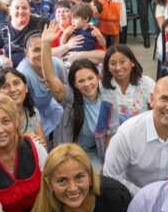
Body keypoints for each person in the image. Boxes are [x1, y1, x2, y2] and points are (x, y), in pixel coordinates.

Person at [103, 76, 168, 194]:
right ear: (152, 100)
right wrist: (146, 197)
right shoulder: (127, 133)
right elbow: (111, 176)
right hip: (133, 198)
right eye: (164, 99)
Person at [40, 24, 117, 160]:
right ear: (74, 84)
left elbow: (110, 136)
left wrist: (107, 163)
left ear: (98, 76)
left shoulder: (107, 99)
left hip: (96, 154)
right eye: (81, 81)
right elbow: (50, 78)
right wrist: (46, 44)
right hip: (68, 156)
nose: (87, 84)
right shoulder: (70, 97)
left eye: (90, 78)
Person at [16, 32, 66, 137]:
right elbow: (21, 108)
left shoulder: (57, 64)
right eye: (36, 50)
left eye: (44, 49)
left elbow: (64, 95)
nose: (41, 54)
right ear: (26, 53)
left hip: (52, 109)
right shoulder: (23, 73)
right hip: (31, 115)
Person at [0, 0, 46, 69]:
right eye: (17, 8)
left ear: (30, 10)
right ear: (10, 10)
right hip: (16, 71)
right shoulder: (3, 30)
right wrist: (1, 59)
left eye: (24, 8)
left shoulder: (41, 23)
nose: (21, 11)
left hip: (41, 66)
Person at [100, 44, 155, 125]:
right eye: (113, 63)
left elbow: (156, 111)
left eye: (122, 62)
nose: (118, 67)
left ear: (132, 62)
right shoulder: (102, 88)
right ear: (107, 67)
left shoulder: (146, 83)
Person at [0, 68, 46, 144]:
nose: (12, 89)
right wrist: (25, 139)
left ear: (26, 88)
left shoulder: (32, 112)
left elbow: (43, 145)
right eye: (5, 86)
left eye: (16, 83)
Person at [48, 0, 106, 65]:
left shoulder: (91, 30)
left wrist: (79, 55)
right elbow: (46, 54)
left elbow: (103, 55)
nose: (61, 14)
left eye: (66, 11)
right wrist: (67, 46)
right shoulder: (53, 33)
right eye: (58, 11)